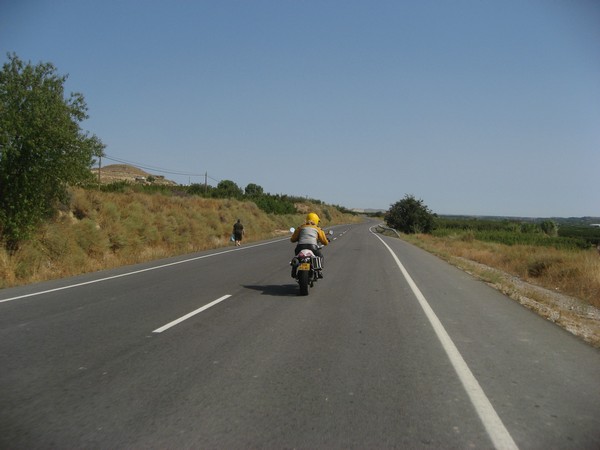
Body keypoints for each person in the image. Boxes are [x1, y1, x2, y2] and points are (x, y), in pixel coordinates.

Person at [291, 212, 329, 277]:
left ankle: (294, 270)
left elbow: (292, 239)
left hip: (300, 247)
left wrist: (298, 238)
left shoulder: (300, 227)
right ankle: (319, 271)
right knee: (320, 256)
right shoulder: (318, 229)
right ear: (316, 221)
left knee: (297, 257)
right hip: (312, 247)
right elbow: (324, 242)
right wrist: (326, 241)